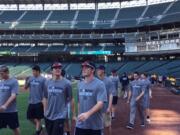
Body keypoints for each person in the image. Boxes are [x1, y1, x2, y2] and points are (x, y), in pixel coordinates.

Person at [75, 61, 107, 135]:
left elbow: (100, 103)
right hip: (81, 124)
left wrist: (87, 114)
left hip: (95, 125)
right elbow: (79, 102)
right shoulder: (80, 84)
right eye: (83, 67)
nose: (83, 69)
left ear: (93, 70)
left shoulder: (100, 84)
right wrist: (78, 115)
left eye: (86, 67)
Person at [43, 62, 72, 135]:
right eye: (55, 68)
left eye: (59, 68)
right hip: (49, 115)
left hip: (60, 115)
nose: (58, 69)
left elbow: (71, 99)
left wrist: (73, 114)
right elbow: (45, 98)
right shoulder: (47, 83)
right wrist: (45, 111)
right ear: (51, 71)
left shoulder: (67, 83)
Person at [24, 65, 46, 135]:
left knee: (38, 118)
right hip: (31, 101)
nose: (33, 72)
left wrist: (44, 101)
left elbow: (45, 91)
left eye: (34, 71)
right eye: (32, 71)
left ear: (38, 71)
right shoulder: (30, 78)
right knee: (29, 117)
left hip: (39, 102)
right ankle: (40, 128)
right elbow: (25, 87)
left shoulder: (43, 79)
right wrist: (26, 80)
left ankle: (37, 132)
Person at [0, 65, 20, 135]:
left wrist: (5, 106)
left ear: (7, 72)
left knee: (15, 129)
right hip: (0, 111)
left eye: (2, 73)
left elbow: (13, 95)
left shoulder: (14, 81)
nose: (0, 75)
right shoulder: (1, 82)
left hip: (11, 111)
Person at [97, 65, 114, 135]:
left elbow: (110, 94)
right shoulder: (96, 80)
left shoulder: (108, 81)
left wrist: (109, 107)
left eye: (98, 70)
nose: (97, 71)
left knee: (107, 125)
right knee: (98, 126)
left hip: (105, 107)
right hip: (97, 108)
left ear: (103, 71)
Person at [61, 69, 76, 135]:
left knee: (65, 120)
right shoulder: (66, 82)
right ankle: (67, 132)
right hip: (65, 104)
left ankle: (67, 132)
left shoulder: (66, 82)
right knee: (65, 120)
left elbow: (70, 97)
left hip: (65, 104)